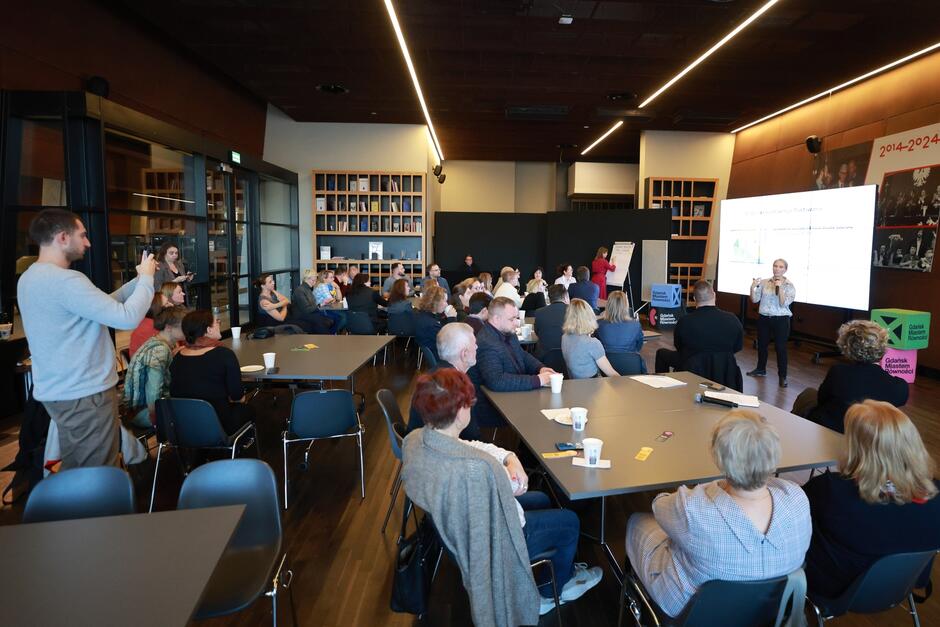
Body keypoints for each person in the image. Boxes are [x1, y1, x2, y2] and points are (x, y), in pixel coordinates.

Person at [402, 369, 602, 621]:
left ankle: (551, 567)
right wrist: (510, 477)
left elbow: (473, 447)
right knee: (570, 521)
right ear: (459, 411)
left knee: (541, 499)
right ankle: (549, 593)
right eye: (468, 402)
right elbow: (505, 499)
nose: (471, 406)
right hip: (500, 538)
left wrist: (510, 456)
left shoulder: (419, 438)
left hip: (455, 530)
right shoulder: (476, 471)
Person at [626, 410, 811, 618]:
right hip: (771, 612)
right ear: (774, 453)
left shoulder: (694, 509)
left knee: (636, 521)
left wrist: (712, 488)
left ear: (719, 458)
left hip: (691, 613)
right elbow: (776, 486)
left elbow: (659, 507)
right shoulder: (798, 499)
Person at [18, 209, 156, 469]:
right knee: (96, 470)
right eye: (82, 236)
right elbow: (126, 318)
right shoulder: (67, 281)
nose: (88, 242)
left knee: (79, 464)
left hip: (59, 392)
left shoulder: (30, 278)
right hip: (85, 393)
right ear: (62, 237)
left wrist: (138, 281)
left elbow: (98, 308)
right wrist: (147, 280)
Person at [803, 401, 940, 599]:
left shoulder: (831, 491)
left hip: (835, 589)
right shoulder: (935, 499)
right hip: (903, 585)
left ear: (857, 448)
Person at [792, 320, 908, 433]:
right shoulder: (898, 387)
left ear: (848, 347)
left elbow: (822, 399)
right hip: (867, 437)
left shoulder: (838, 372)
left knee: (808, 394)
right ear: (882, 348)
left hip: (832, 428)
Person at [169, 309, 252, 435]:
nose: (219, 324)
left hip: (184, 425)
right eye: (217, 322)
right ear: (208, 330)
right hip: (219, 424)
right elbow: (237, 396)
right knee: (250, 409)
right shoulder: (224, 355)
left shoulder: (177, 357)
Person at [407, 322, 483, 439]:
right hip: (436, 451)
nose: (477, 347)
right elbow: (472, 436)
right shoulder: (456, 387)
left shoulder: (434, 375)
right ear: (464, 354)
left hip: (419, 443)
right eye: (474, 344)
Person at [655, 280, 743, 372]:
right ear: (714, 295)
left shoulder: (685, 321)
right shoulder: (733, 319)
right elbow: (738, 347)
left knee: (661, 354)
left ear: (694, 298)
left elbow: (679, 346)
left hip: (692, 366)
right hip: (723, 368)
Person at [476, 296, 556, 393]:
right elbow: (496, 381)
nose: (517, 323)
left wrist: (540, 368)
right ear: (496, 319)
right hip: (497, 402)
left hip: (515, 393)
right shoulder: (486, 342)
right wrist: (538, 380)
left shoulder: (508, 333)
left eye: (516, 318)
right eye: (512, 319)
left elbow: (522, 355)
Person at [123, 306, 186, 429]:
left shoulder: (157, 342)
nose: (188, 329)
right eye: (183, 326)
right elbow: (153, 393)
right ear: (169, 328)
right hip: (144, 413)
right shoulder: (160, 350)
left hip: (137, 409)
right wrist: (156, 419)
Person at [747, 258, 795, 387]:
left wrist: (779, 288)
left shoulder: (789, 285)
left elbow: (783, 303)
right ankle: (761, 369)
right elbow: (754, 300)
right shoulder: (764, 282)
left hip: (781, 319)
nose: (777, 269)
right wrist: (752, 288)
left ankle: (782, 376)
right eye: (775, 266)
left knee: (780, 348)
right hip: (764, 318)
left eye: (780, 267)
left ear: (785, 270)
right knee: (762, 345)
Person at [561, 299, 619, 379]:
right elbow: (611, 374)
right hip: (595, 387)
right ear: (589, 317)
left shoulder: (564, 337)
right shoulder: (593, 343)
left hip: (574, 385)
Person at [414, 285, 458, 360]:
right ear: (436, 302)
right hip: (444, 359)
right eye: (445, 301)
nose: (447, 304)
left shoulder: (423, 315)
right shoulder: (431, 325)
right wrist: (452, 318)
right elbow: (451, 342)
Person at [289, 270, 335, 334]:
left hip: (309, 313)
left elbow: (312, 305)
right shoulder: (300, 291)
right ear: (307, 279)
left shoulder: (307, 289)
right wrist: (321, 304)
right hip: (301, 315)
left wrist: (321, 304)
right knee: (323, 322)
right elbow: (306, 309)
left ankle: (324, 339)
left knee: (329, 320)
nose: (315, 282)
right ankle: (326, 339)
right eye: (313, 280)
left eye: (315, 280)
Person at [533, 284, 568, 358]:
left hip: (544, 357)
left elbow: (537, 332)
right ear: (565, 296)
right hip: (569, 356)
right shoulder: (573, 311)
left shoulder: (539, 312)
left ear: (549, 298)